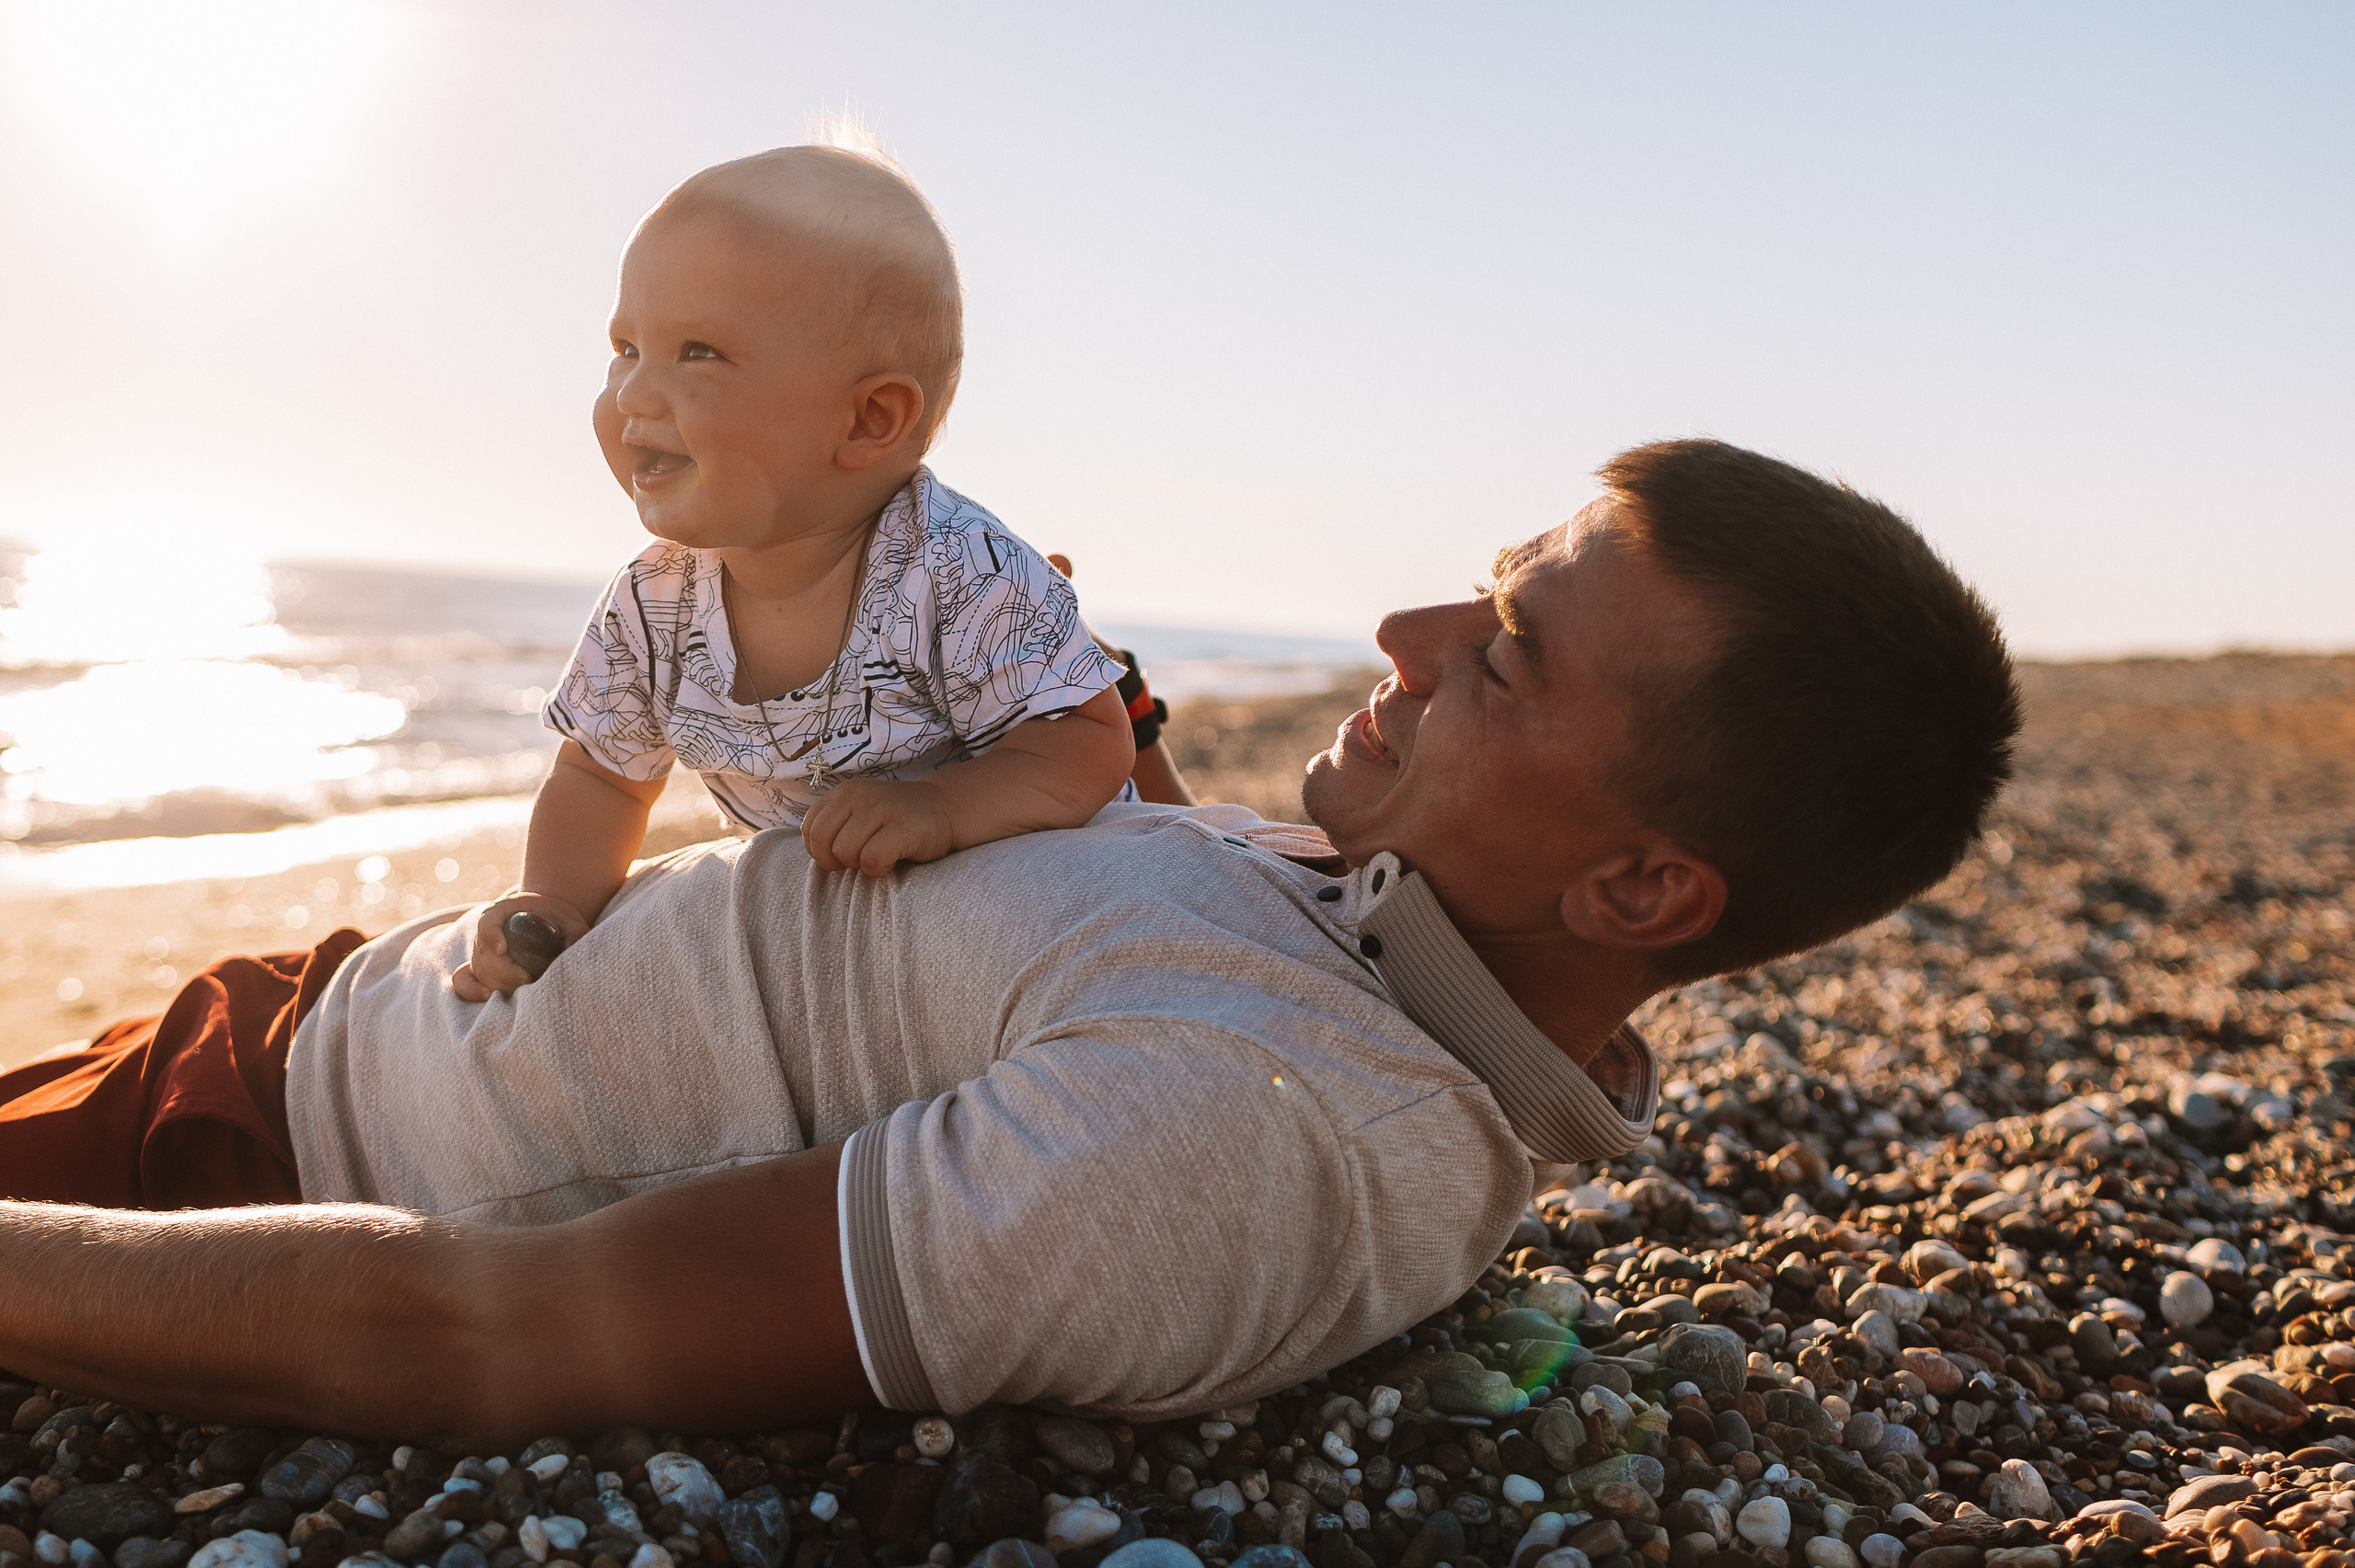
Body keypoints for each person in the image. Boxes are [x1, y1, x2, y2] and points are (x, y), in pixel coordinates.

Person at [0, 439, 2020, 1445]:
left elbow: (498, 1325)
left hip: (251, 1160)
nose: (1400, 641)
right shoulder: (1372, 926)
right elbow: (1120, 940)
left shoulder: (1254, 1144)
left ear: (1643, 891)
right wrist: (1094, 714)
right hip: (324, 1002)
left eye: (1500, 656)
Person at [454, 141, 1138, 1001]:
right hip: (827, 934)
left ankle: (1085, 651)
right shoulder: (653, 600)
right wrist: (553, 899)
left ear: (868, 420)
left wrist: (943, 808)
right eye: (627, 348)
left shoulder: (955, 566)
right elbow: (601, 774)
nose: (632, 394)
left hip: (1029, 907)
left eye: (696, 351)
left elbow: (1086, 746)